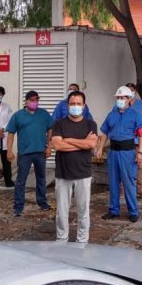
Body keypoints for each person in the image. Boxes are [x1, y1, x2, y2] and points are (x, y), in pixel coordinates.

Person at [51, 90, 98, 243]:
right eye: (72, 104)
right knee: (62, 210)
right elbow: (58, 145)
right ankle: (61, 238)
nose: (75, 106)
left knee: (83, 210)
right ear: (67, 105)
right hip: (62, 173)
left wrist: (68, 140)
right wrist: (83, 143)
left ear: (84, 105)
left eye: (78, 104)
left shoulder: (90, 124)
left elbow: (91, 144)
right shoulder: (59, 123)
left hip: (83, 173)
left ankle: (82, 240)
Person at [95, 86, 142, 222]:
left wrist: (140, 152)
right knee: (113, 181)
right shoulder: (111, 115)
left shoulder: (136, 115)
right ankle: (114, 210)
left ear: (129, 99)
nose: (119, 100)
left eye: (122, 97)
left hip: (127, 152)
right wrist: (100, 148)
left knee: (129, 182)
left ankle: (133, 211)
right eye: (118, 97)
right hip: (113, 152)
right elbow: (105, 133)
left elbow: (141, 134)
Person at [6, 90, 54, 214]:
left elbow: (50, 129)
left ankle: (42, 202)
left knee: (41, 179)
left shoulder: (43, 114)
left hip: (40, 152)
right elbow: (10, 133)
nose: (35, 102)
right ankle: (18, 206)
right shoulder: (18, 115)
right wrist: (9, 150)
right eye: (32, 100)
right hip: (24, 153)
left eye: (37, 100)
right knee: (21, 180)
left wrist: (49, 146)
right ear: (26, 101)